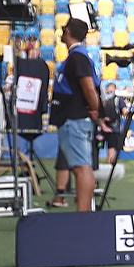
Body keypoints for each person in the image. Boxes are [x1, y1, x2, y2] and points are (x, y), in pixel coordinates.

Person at [52, 18, 104, 213]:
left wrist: (94, 108)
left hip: (74, 119)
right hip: (75, 119)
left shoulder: (78, 57)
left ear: (67, 31)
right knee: (82, 167)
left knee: (82, 168)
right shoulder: (79, 56)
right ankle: (85, 214)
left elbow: (90, 89)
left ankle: (83, 217)